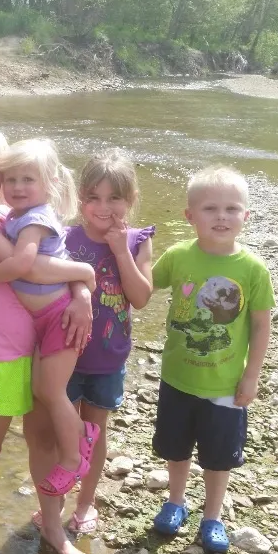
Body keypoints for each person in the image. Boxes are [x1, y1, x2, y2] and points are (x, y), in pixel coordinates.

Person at [0, 125, 96, 554]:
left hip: (36, 342)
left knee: (42, 442)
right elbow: (27, 270)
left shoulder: (6, 216)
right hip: (0, 349)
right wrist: (84, 273)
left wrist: (83, 291)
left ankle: (52, 527)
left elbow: (50, 260)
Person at [150, 166, 273, 554]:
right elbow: (140, 286)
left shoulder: (253, 269)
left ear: (246, 217)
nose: (222, 216)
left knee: (219, 456)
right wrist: (125, 249)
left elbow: (260, 326)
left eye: (232, 208)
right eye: (210, 208)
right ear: (189, 216)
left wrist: (252, 376)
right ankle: (175, 501)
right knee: (176, 446)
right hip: (177, 378)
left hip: (224, 384)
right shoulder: (177, 256)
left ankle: (212, 516)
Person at [61, 150, 155, 534]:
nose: (103, 207)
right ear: (80, 199)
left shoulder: (136, 241)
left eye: (114, 198)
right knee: (61, 431)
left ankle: (85, 503)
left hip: (107, 357)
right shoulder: (66, 237)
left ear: (129, 200)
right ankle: (55, 500)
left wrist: (120, 250)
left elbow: (142, 297)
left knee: (93, 432)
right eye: (94, 197)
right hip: (65, 354)